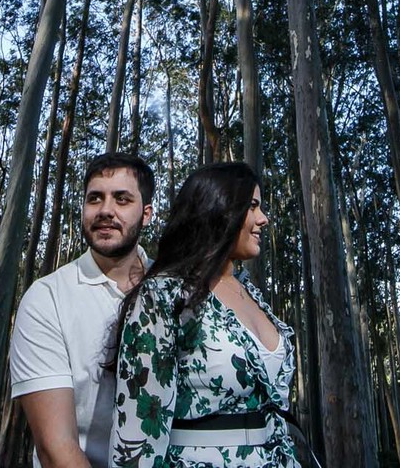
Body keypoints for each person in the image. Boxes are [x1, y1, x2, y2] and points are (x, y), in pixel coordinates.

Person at [107, 162, 300, 468]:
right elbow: (138, 433)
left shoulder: (251, 293)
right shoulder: (163, 295)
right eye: (252, 206)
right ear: (218, 208)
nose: (263, 218)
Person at [10, 152, 155, 468]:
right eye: (95, 198)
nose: (105, 210)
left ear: (146, 214)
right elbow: (55, 448)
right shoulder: (47, 299)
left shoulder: (175, 290)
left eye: (122, 199)